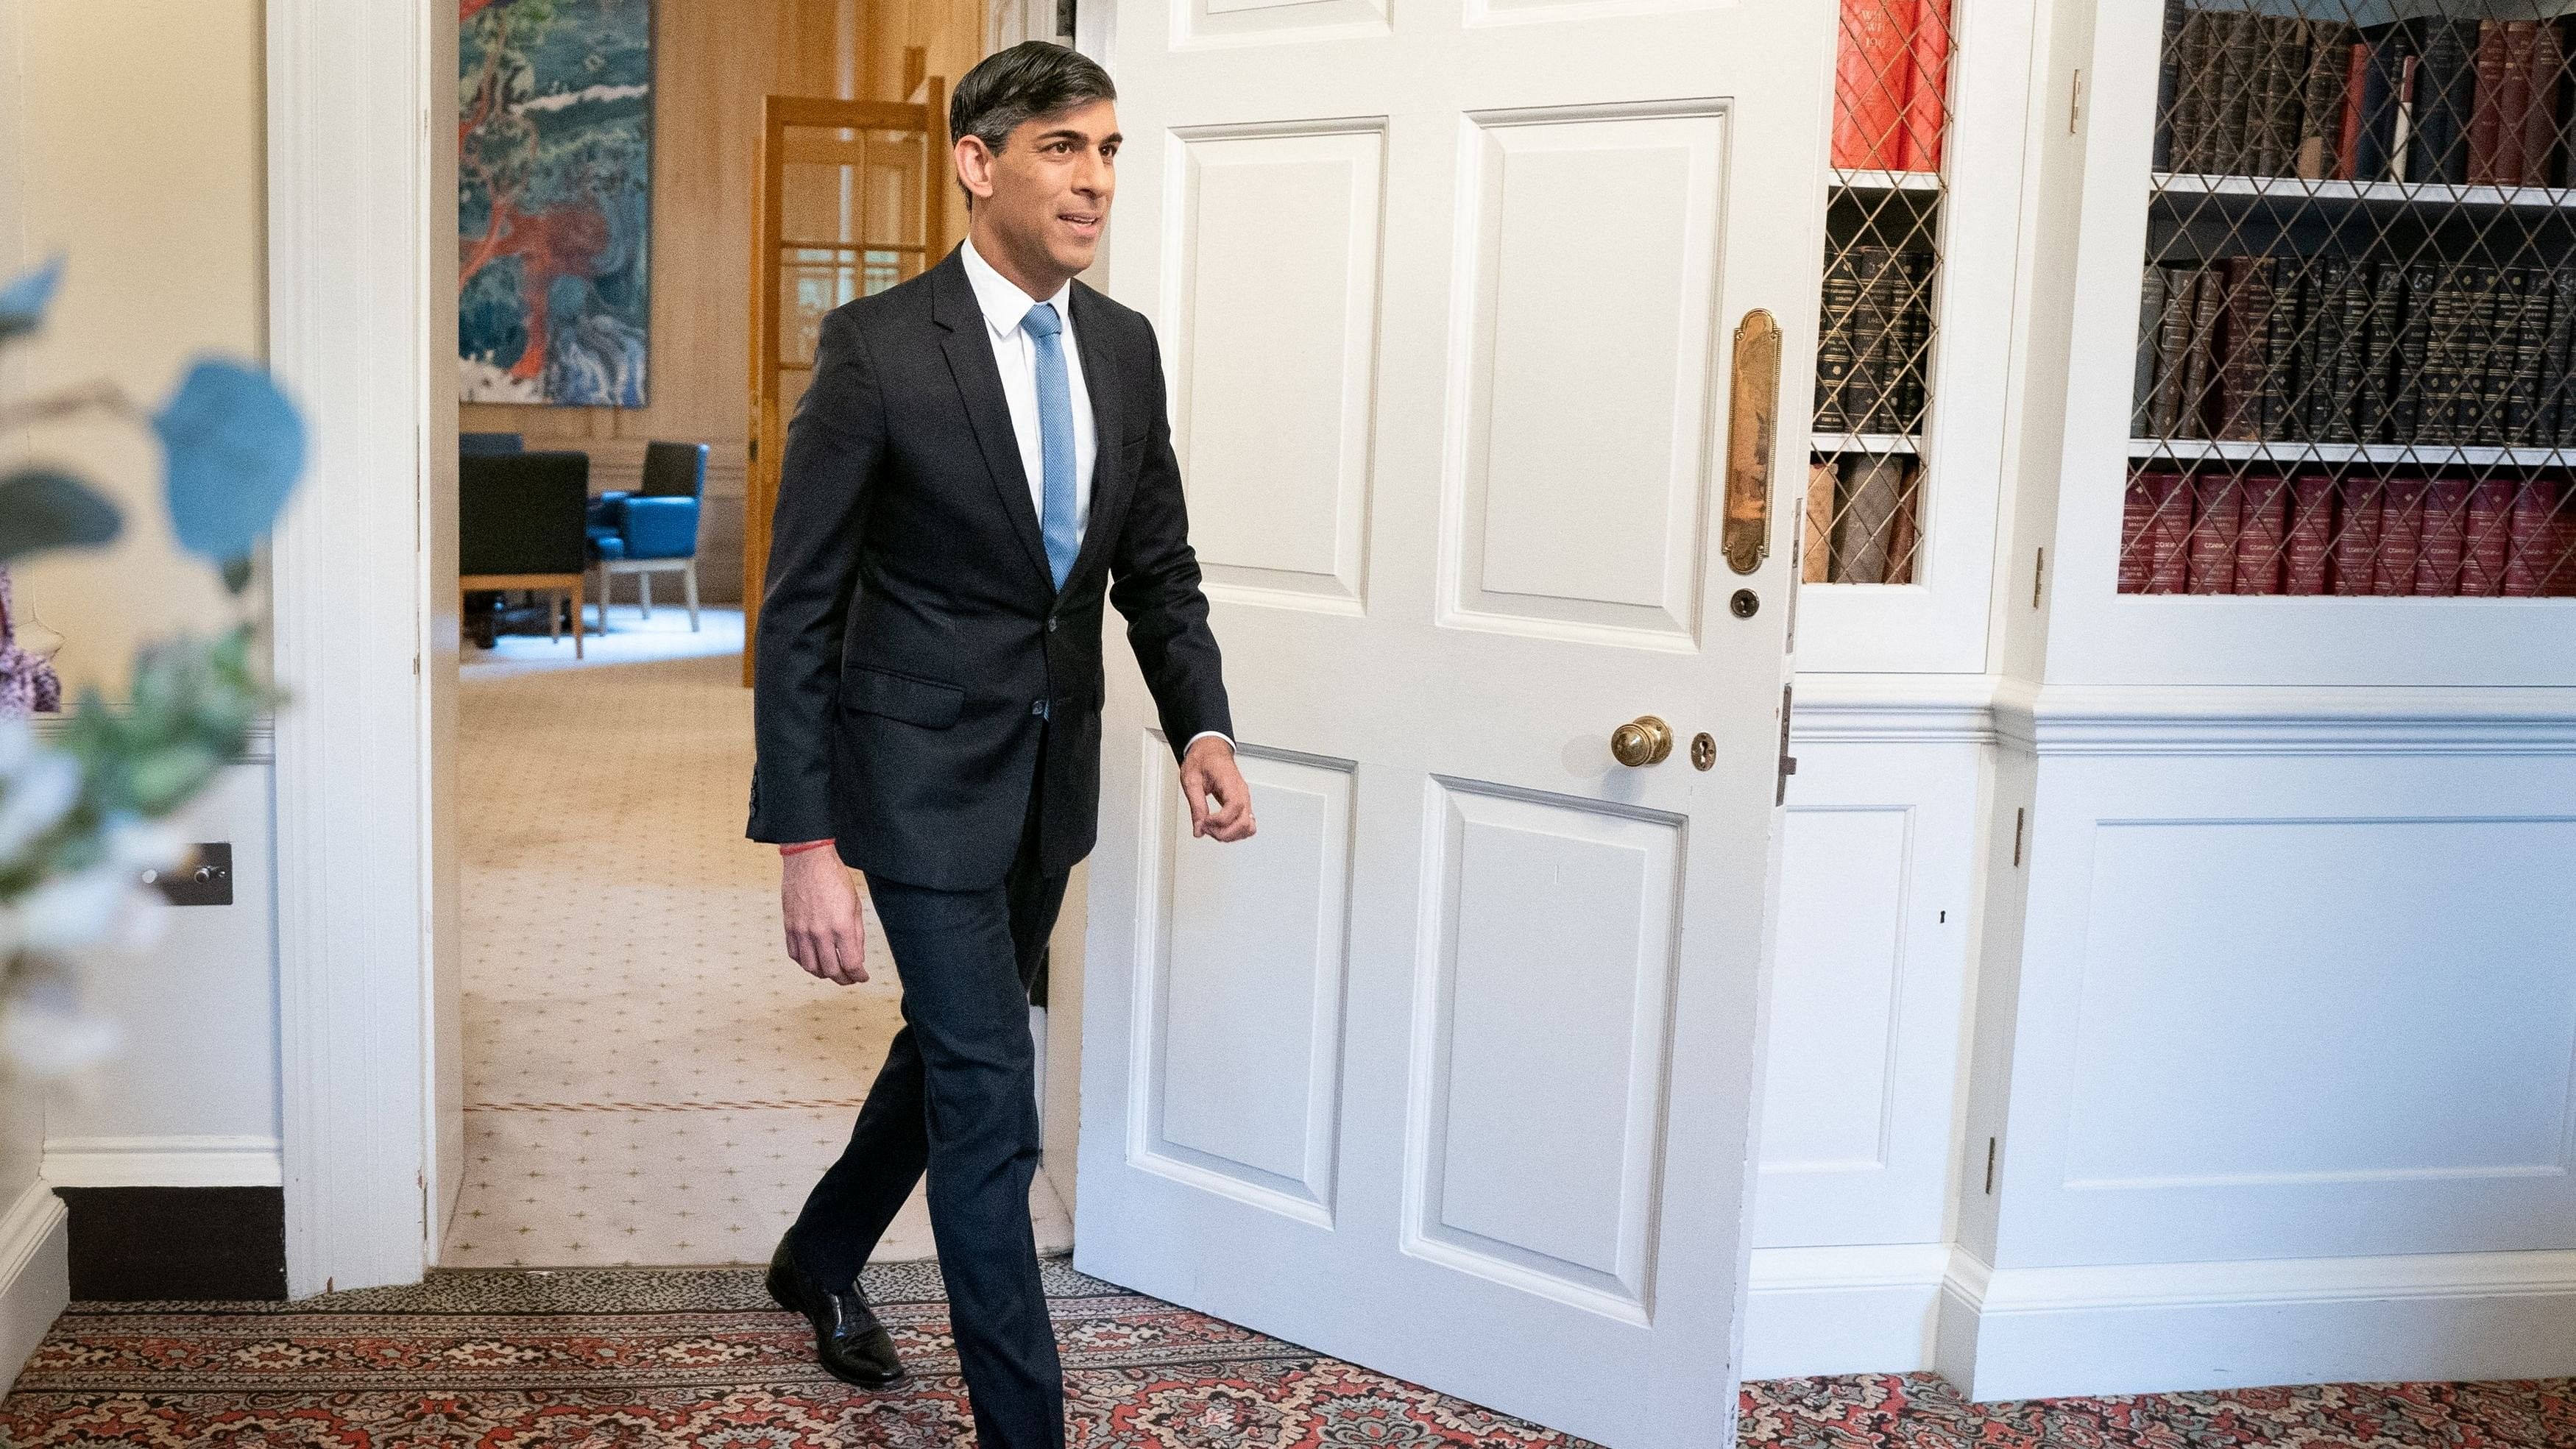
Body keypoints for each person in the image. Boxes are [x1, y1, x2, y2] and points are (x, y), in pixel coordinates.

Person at [746, 40, 1256, 1449]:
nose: (1093, 180)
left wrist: (1199, 719)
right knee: (991, 1099)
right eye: (1061, 149)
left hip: (1050, 787)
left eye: (1106, 152)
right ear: (979, 164)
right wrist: (806, 839)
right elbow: (798, 614)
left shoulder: (1124, 348)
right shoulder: (876, 349)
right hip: (907, 785)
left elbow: (1158, 569)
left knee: (951, 1044)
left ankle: (819, 1253)